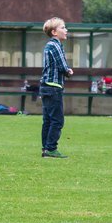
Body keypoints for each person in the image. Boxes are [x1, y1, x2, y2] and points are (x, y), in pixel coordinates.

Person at [40, 17, 72, 158]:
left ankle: (45, 148)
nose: (66, 30)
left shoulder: (49, 45)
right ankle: (51, 149)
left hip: (46, 86)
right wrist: (69, 71)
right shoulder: (55, 45)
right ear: (54, 32)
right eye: (63, 27)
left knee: (47, 119)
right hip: (53, 87)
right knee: (57, 120)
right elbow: (62, 66)